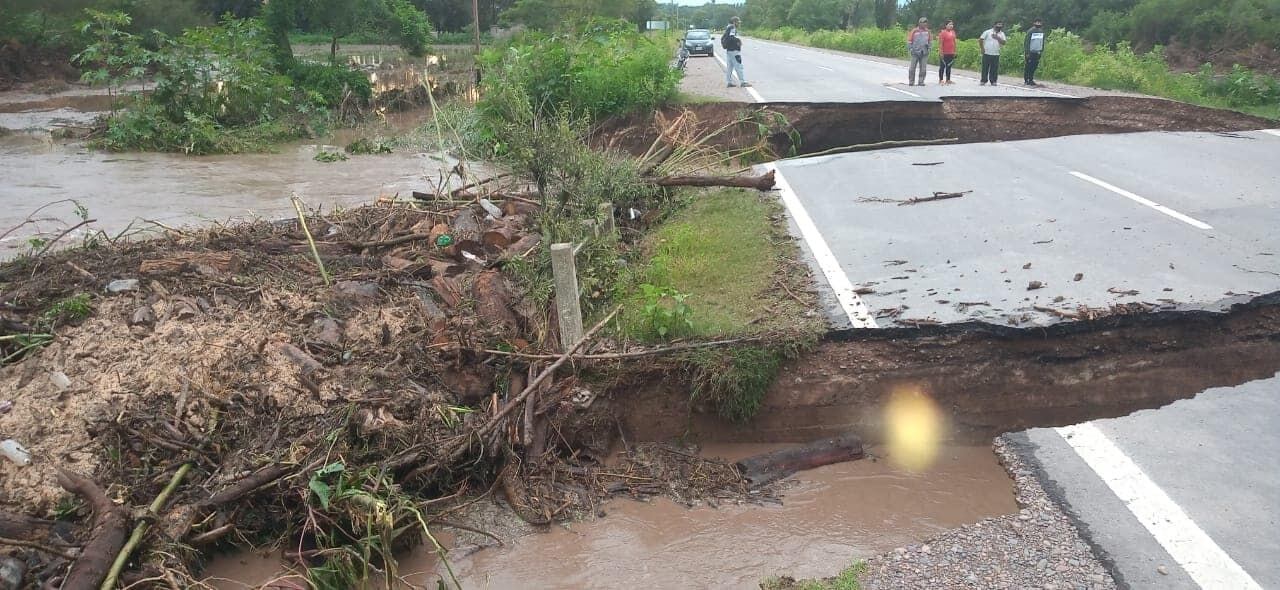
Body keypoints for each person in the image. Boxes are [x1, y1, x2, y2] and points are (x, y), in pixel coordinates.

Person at [722, 16, 750, 88]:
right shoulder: (732, 28)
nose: (739, 24)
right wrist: (738, 40)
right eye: (738, 22)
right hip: (734, 50)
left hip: (729, 50)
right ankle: (743, 82)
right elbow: (731, 38)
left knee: (730, 67)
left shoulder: (728, 28)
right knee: (739, 66)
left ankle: (729, 82)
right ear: (734, 22)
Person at [978, 20, 1007, 86]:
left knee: (994, 68)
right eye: (998, 24)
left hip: (996, 53)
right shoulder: (988, 32)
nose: (1000, 26)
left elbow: (1004, 42)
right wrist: (982, 48)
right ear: (994, 25)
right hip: (987, 52)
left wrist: (997, 37)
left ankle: (993, 81)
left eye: (1001, 25)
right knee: (985, 67)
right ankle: (983, 80)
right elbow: (980, 39)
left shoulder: (1002, 34)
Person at [906, 17, 932, 86]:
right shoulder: (914, 31)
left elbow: (930, 41)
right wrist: (910, 49)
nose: (924, 24)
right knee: (912, 68)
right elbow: (909, 41)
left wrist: (929, 48)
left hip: (924, 52)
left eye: (925, 22)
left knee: (923, 69)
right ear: (919, 23)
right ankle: (911, 81)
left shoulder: (927, 31)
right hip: (915, 52)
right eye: (923, 22)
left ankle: (921, 81)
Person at [1024, 18, 1046, 86]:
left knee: (1034, 66)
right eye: (1037, 23)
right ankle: (1026, 80)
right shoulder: (1030, 31)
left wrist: (1041, 50)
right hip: (1030, 52)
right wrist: (1027, 52)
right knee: (1028, 66)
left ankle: (1031, 79)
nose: (1038, 24)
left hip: (1037, 52)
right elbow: (1026, 42)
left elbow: (1042, 42)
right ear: (1034, 23)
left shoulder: (1041, 32)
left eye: (1039, 23)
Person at [938, 20, 957, 85]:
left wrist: (955, 51)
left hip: (951, 52)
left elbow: (954, 42)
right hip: (944, 52)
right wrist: (941, 52)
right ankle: (941, 80)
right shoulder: (943, 33)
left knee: (949, 67)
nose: (951, 26)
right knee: (942, 66)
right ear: (946, 25)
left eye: (952, 24)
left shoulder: (953, 32)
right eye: (949, 24)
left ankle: (948, 79)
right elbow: (941, 43)